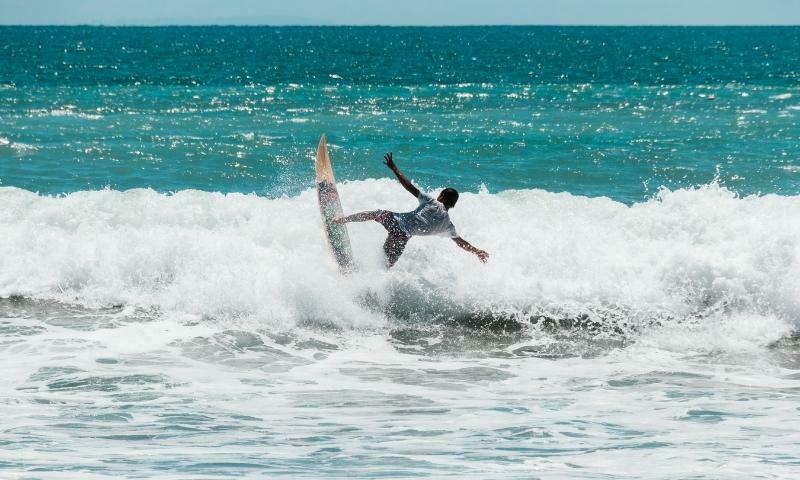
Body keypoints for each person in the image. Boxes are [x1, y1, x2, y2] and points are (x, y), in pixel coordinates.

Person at [335, 153, 489, 268]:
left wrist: (394, 168)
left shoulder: (432, 202)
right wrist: (477, 251)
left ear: (441, 195)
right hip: (402, 238)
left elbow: (409, 186)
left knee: (374, 214)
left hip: (395, 223)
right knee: (385, 266)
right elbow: (461, 243)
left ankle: (341, 220)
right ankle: (366, 282)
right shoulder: (447, 226)